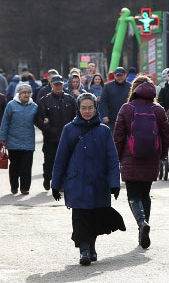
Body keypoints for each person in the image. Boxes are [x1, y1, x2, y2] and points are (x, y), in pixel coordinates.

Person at [51, 93, 124, 266]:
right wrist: (56, 184)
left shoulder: (104, 131)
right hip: (77, 182)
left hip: (99, 182)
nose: (87, 111)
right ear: (78, 109)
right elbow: (61, 158)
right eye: (83, 108)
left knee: (95, 217)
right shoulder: (69, 129)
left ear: (95, 108)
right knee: (80, 216)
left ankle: (91, 246)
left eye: (90, 108)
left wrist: (114, 183)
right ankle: (84, 249)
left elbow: (112, 160)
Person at [113, 76, 169, 249]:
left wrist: (116, 157)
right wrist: (162, 154)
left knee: (133, 195)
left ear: (134, 90)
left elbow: (118, 136)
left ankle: (141, 223)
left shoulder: (126, 108)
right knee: (145, 194)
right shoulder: (158, 110)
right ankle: (144, 226)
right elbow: (167, 136)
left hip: (130, 157)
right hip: (151, 158)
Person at [35, 75, 77, 191]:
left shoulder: (70, 99)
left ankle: (61, 183)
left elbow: (76, 117)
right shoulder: (44, 101)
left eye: (60, 84)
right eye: (56, 84)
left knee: (65, 161)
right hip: (51, 138)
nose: (58, 86)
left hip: (67, 138)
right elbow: (39, 120)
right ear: (51, 85)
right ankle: (47, 178)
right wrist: (49, 129)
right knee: (49, 161)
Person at [0, 83, 38, 195]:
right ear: (19, 94)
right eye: (24, 93)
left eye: (28, 93)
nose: (26, 95)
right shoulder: (11, 105)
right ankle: (14, 186)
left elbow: (39, 121)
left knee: (26, 166)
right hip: (13, 141)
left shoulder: (34, 107)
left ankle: (25, 188)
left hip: (28, 141)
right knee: (14, 166)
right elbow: (5, 121)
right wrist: (2, 137)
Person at [99, 67, 131, 131]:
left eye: (121, 75)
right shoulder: (108, 86)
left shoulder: (130, 86)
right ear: (114, 76)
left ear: (125, 75)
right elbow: (103, 101)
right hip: (111, 119)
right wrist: (104, 115)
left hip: (126, 119)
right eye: (117, 75)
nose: (119, 77)